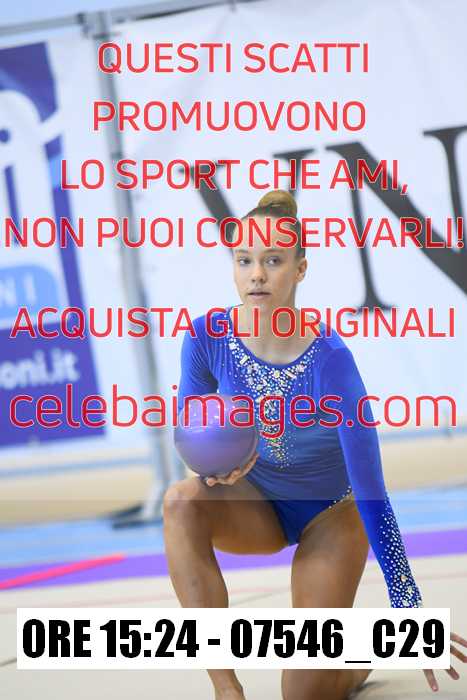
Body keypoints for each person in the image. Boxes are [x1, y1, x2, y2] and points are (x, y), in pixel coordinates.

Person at [163, 190, 466, 700]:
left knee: (304, 693)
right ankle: (226, 688)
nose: (256, 275)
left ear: (300, 269)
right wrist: (214, 469)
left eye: (273, 261)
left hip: (330, 513)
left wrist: (408, 605)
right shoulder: (205, 337)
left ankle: (355, 659)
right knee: (180, 502)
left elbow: (372, 490)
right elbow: (190, 432)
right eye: (244, 260)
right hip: (256, 503)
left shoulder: (331, 362)